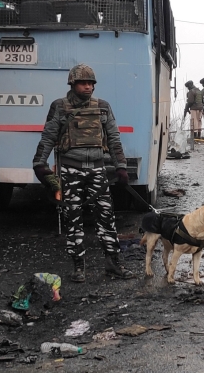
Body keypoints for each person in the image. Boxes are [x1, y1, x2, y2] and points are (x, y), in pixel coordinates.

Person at [32, 64, 135, 283]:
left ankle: (113, 265)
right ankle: (78, 267)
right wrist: (40, 163)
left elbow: (114, 139)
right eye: (83, 83)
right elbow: (48, 136)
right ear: (73, 84)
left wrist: (121, 167)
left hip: (98, 169)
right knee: (73, 219)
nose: (88, 87)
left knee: (106, 218)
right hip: (71, 170)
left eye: (91, 83)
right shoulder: (59, 106)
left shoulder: (103, 107)